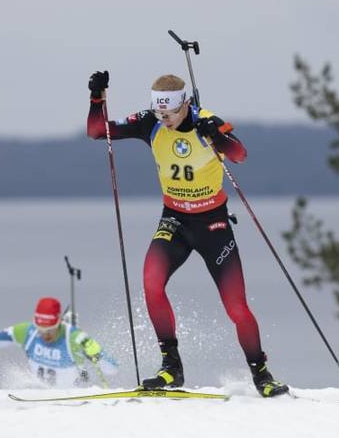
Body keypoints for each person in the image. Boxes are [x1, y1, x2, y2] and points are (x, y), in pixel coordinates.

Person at [85, 70, 289, 397]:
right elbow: (97, 132)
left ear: (185, 105)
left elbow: (239, 154)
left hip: (213, 224)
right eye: (159, 113)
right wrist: (97, 99)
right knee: (151, 283)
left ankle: (261, 374)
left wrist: (217, 136)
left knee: (236, 306)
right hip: (175, 220)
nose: (164, 120)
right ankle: (171, 368)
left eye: (170, 113)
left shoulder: (207, 121)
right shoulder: (149, 122)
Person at [0, 283, 118, 388]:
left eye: (50, 329)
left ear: (59, 322)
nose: (45, 334)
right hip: (40, 403)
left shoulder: (75, 338)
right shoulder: (28, 332)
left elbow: (112, 370)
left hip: (72, 403)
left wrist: (97, 355)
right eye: (41, 328)